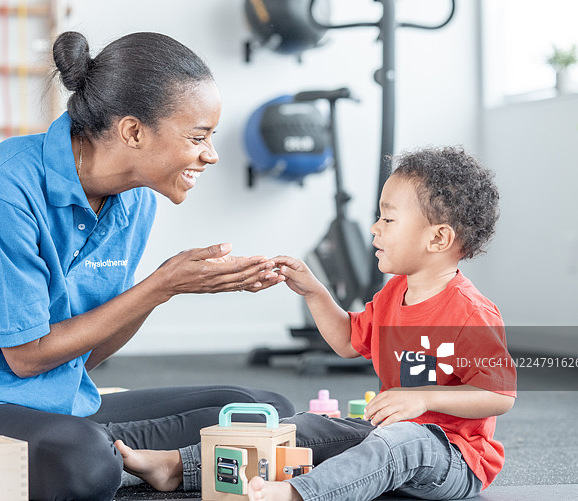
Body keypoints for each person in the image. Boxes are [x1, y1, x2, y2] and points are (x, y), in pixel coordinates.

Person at [0, 31, 294, 501]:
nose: (211, 154)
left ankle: (131, 459)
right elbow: (26, 358)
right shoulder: (0, 192)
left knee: (261, 412)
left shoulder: (136, 201)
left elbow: (90, 352)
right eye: (197, 137)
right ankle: (113, 456)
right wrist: (163, 284)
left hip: (64, 406)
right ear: (133, 132)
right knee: (82, 460)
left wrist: (171, 287)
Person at [118, 146, 517, 501]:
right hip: (389, 435)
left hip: (454, 457)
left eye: (388, 220)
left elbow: (500, 395)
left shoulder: (471, 313)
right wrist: (314, 291)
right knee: (306, 426)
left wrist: (426, 399)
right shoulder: (395, 293)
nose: (375, 228)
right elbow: (347, 340)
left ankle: (296, 494)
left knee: (402, 440)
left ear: (438, 238)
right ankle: (177, 467)